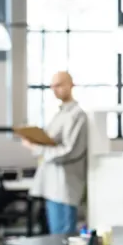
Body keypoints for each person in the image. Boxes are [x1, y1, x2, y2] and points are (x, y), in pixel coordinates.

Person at [23, 71, 88, 234]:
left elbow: (69, 150)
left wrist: (36, 148)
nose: (54, 89)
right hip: (52, 185)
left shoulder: (77, 115)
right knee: (54, 237)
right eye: (52, 86)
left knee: (62, 238)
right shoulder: (59, 114)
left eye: (59, 85)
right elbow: (51, 142)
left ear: (70, 85)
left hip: (64, 186)